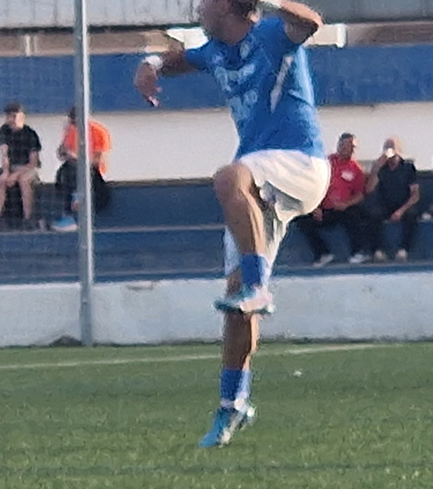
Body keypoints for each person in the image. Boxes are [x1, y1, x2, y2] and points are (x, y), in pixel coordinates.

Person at [134, 0, 328, 448]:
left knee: (227, 178)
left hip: (300, 163)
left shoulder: (271, 36)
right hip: (259, 181)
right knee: (236, 301)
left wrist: (269, 2)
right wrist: (150, 64)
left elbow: (313, 22)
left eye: (205, 2)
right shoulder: (215, 49)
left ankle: (259, 287)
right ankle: (232, 405)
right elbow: (180, 59)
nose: (197, 7)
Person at [295, 133, 366, 266]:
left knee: (354, 216)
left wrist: (346, 204)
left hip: (342, 209)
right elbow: (313, 185)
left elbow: (360, 194)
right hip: (323, 209)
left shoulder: (356, 169)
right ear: (339, 145)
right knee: (302, 221)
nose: (349, 149)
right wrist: (315, 207)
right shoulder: (325, 163)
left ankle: (357, 252)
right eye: (346, 145)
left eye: (352, 147)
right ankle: (323, 253)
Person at [52, 107, 112, 232]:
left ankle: (77, 199)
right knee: (64, 172)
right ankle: (69, 212)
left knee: (76, 169)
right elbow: (60, 154)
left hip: (93, 172)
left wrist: (77, 157)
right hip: (72, 169)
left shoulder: (99, 132)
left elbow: (97, 161)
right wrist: (65, 137)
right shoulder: (71, 131)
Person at [363, 137, 420, 262]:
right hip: (385, 205)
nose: (389, 150)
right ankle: (378, 251)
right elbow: (369, 189)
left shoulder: (407, 167)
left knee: (412, 215)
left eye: (392, 147)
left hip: (403, 205)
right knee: (372, 215)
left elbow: (415, 195)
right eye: (386, 147)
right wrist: (376, 168)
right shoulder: (381, 168)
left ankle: (403, 250)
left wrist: (401, 211)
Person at [0, 102, 42, 231]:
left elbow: (33, 162)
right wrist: (6, 172)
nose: (11, 120)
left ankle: (28, 218)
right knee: (1, 181)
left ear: (22, 117)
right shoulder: (4, 131)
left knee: (24, 181)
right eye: (9, 116)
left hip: (27, 168)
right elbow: (4, 154)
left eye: (14, 116)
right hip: (11, 167)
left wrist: (16, 175)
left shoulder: (30, 134)